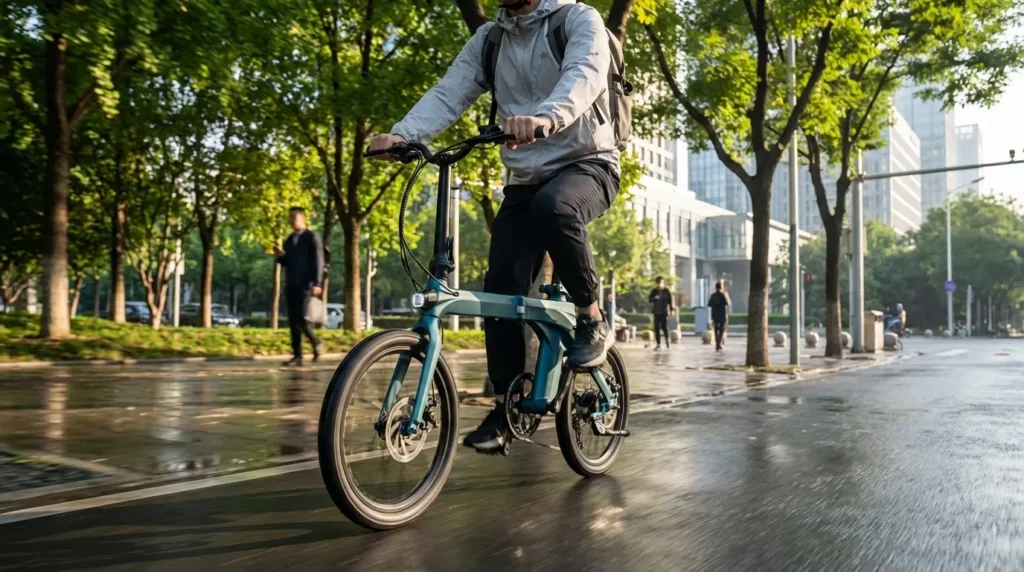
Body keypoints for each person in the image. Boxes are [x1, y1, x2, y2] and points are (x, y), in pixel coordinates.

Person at [367, 0, 618, 452]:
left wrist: (547, 117)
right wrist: (405, 135)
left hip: (588, 164)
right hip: (525, 178)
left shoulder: (578, 19)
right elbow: (450, 92)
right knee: (500, 288)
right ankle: (508, 404)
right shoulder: (491, 39)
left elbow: (584, 74)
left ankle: (591, 316)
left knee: (554, 208)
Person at [273, 207, 325, 366]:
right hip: (291, 284)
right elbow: (287, 262)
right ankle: (298, 355)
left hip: (306, 285)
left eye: (293, 218)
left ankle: (316, 342)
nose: (291, 221)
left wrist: (317, 283)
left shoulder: (311, 237)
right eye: (289, 218)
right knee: (292, 320)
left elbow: (318, 260)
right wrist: (280, 256)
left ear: (302, 218)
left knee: (302, 318)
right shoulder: (289, 239)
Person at [648, 276, 674, 350]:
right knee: (656, 328)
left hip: (664, 311)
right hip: (656, 312)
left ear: (663, 282)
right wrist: (654, 298)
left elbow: (670, 301)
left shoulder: (666, 291)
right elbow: (650, 299)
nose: (660, 284)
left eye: (661, 282)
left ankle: (667, 342)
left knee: (664, 327)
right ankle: (658, 344)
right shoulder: (654, 291)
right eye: (658, 282)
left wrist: (672, 310)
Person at [707, 280, 730, 351]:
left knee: (716, 330)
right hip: (722, 314)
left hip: (715, 315)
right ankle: (719, 344)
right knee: (722, 329)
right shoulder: (724, 294)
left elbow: (709, 304)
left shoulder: (713, 295)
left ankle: (717, 344)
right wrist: (726, 294)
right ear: (722, 287)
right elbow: (728, 303)